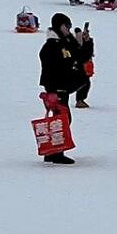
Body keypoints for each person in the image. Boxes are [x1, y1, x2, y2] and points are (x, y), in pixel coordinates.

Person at [37, 13, 89, 164]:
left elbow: (81, 56)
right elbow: (60, 64)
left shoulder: (62, 43)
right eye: (68, 27)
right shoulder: (52, 46)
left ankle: (53, 152)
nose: (69, 30)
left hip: (62, 87)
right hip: (55, 88)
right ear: (61, 26)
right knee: (61, 119)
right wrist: (51, 90)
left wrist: (83, 41)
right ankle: (56, 153)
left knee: (62, 118)